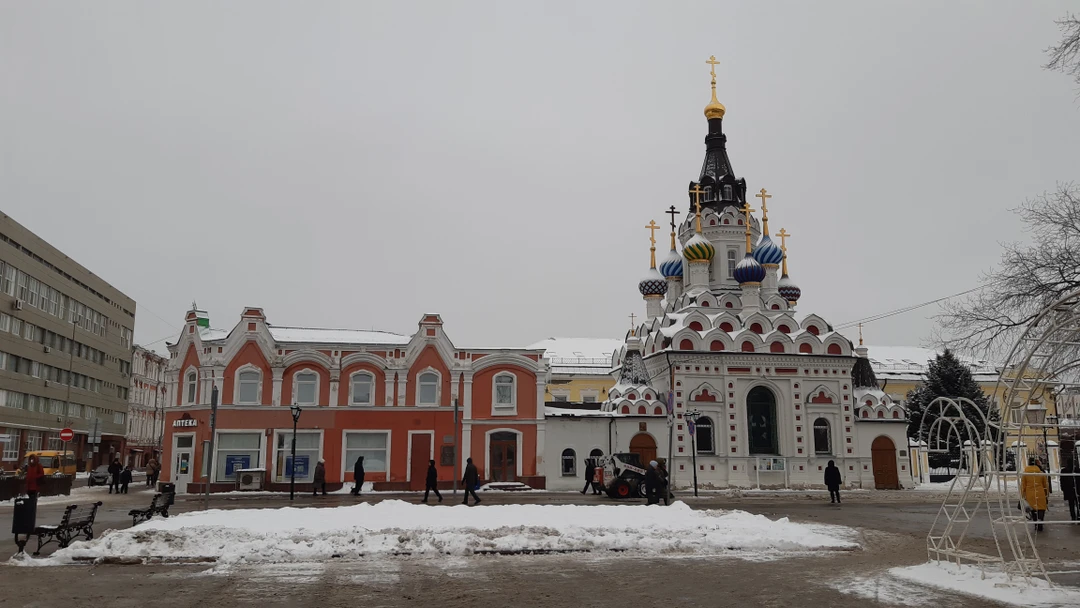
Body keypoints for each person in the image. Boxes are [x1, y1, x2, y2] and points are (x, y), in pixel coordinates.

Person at [1021, 456, 1050, 532]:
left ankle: (1036, 524)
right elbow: (1045, 486)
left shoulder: (1025, 474)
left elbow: (1023, 486)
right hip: (1040, 493)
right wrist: (1046, 495)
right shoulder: (1041, 473)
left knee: (1033, 509)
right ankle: (1040, 523)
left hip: (1030, 494)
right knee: (1041, 509)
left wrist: (1022, 496)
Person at [1061, 457, 1078, 522]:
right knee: (1078, 503)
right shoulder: (1077, 470)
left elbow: (1062, 481)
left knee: (1071, 504)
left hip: (1068, 490)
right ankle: (1078, 516)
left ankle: (1073, 517)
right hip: (1077, 490)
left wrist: (1063, 489)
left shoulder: (1064, 471)